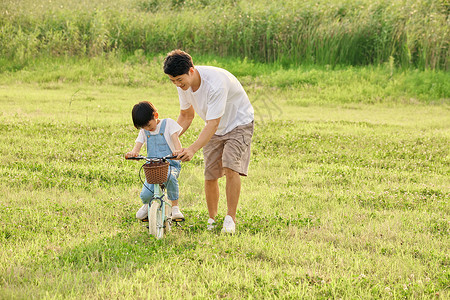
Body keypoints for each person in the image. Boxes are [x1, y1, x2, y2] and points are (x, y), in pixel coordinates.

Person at [163, 49, 254, 233]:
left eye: (179, 79)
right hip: (214, 126)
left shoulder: (215, 84)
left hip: (238, 123)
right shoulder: (184, 86)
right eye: (173, 81)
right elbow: (186, 116)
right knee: (210, 173)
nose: (177, 84)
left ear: (191, 70)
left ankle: (230, 219)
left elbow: (213, 123)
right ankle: (212, 219)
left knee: (230, 166)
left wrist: (192, 149)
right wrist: (169, 138)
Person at [125, 101, 185, 222]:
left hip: (170, 164)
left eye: (148, 125)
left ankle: (175, 207)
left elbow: (176, 140)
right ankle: (147, 205)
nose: (147, 129)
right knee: (145, 194)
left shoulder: (168, 124)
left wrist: (178, 151)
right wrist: (133, 153)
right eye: (144, 127)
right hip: (153, 168)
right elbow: (137, 147)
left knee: (170, 177)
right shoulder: (144, 131)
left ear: (156, 115)